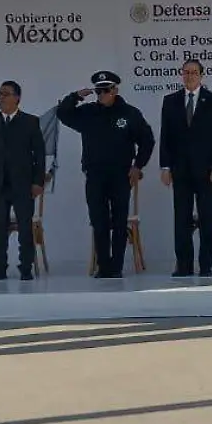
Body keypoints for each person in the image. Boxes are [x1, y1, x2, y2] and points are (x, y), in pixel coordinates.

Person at [59, 71, 156, 278]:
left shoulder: (129, 113)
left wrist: (138, 166)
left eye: (106, 90)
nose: (102, 94)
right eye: (98, 91)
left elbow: (147, 140)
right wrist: (76, 96)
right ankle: (103, 266)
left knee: (119, 221)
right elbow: (63, 114)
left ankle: (116, 267)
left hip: (120, 175)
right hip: (95, 175)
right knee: (99, 220)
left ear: (115, 90)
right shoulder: (88, 113)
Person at [159, 59, 212, 278]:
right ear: (182, 75)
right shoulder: (170, 101)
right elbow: (165, 137)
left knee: (207, 217)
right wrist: (165, 166)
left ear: (201, 75)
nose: (190, 76)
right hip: (180, 170)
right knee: (181, 218)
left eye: (194, 72)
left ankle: (206, 265)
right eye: (186, 72)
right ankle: (184, 264)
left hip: (206, 170)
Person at [0, 81, 48, 281]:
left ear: (17, 98)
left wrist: (38, 182)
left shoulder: (30, 122)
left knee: (25, 227)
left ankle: (26, 267)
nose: (1, 98)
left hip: (23, 184)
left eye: (6, 94)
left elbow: (39, 155)